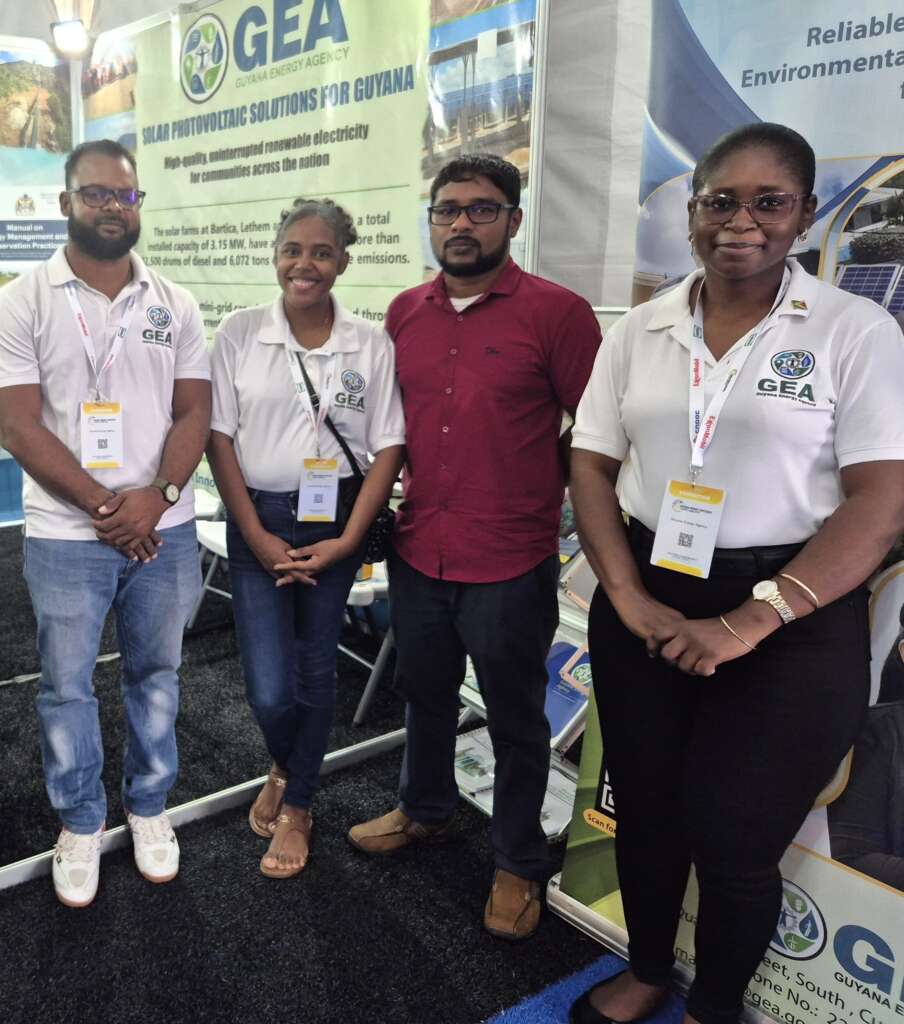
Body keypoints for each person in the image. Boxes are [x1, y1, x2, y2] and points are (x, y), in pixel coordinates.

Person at [568, 122, 904, 1024]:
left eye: (769, 203)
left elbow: (882, 500)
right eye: (720, 201)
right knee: (645, 810)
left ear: (804, 215)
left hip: (791, 614)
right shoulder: (640, 328)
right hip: (647, 596)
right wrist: (626, 595)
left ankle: (713, 1007)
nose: (741, 221)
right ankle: (647, 968)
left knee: (735, 838)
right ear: (692, 212)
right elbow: (591, 463)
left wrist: (750, 620)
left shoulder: (853, 330)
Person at [348, 154, 602, 939]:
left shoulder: (559, 314)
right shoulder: (404, 313)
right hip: (420, 546)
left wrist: (540, 481)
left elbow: (597, 431)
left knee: (517, 715)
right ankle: (425, 809)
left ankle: (518, 861)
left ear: (513, 220)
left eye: (482, 209)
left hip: (511, 556)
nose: (462, 223)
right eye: (447, 209)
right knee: (424, 693)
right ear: (431, 221)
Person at [0, 139, 211, 908]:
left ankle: (149, 805)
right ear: (66, 203)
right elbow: (17, 424)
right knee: (66, 685)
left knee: (157, 675)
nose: (113, 207)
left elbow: (194, 411)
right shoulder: (22, 300)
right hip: (67, 536)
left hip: (166, 528)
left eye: (125, 195)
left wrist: (157, 495)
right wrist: (106, 508)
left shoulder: (174, 302)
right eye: (96, 194)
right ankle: (81, 819)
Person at [207, 198, 405, 879]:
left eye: (322, 252)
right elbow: (218, 438)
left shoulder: (370, 343)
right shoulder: (240, 332)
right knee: (268, 687)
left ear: (343, 261)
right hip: (256, 520)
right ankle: (287, 764)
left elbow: (389, 446)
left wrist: (349, 539)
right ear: (276, 255)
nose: (305, 264)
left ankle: (298, 805)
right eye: (293, 249)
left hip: (335, 522)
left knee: (316, 667)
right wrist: (255, 534)